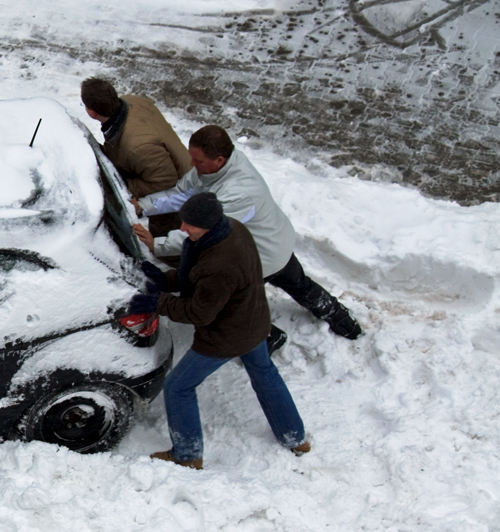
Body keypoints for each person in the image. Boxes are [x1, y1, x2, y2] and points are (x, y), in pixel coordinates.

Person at [131, 124, 361, 344]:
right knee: (299, 284)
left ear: (219, 160)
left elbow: (202, 232)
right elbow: (181, 194)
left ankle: (271, 337)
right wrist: (144, 206)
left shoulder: (240, 191)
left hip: (262, 255)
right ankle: (336, 317)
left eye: (198, 160)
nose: (192, 164)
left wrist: (157, 244)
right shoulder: (214, 169)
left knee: (231, 306)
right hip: (269, 240)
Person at [129, 192, 309, 470]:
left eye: (191, 225)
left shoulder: (221, 264)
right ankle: (294, 437)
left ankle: (188, 455)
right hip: (253, 320)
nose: (183, 229)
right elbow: (197, 273)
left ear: (210, 225)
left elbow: (198, 311)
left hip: (227, 334)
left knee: (178, 387)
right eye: (184, 221)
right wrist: (166, 280)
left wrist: (159, 302)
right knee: (265, 374)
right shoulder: (233, 229)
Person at [80, 77, 189, 239]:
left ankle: (175, 261)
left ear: (91, 112)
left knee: (166, 236)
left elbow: (165, 182)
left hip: (180, 193)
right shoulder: (131, 102)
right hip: (162, 166)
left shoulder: (137, 146)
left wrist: (122, 185)